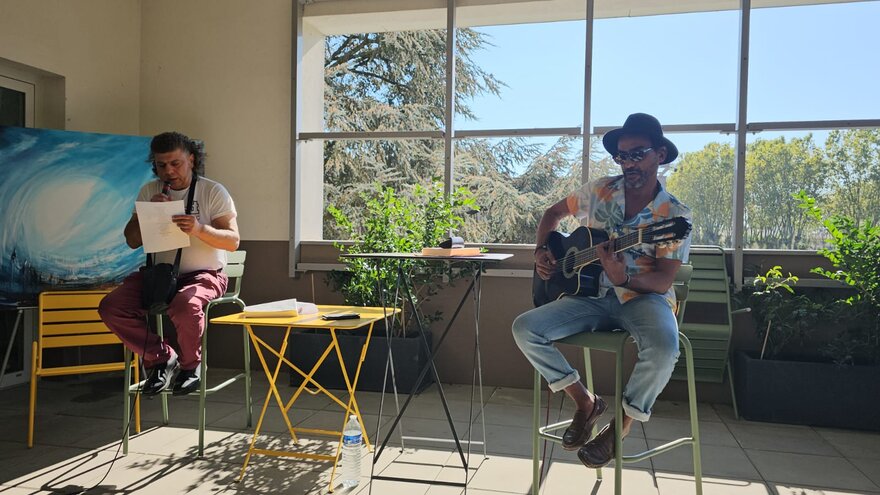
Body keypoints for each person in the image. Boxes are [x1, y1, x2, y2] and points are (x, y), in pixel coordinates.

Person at [512, 113, 691, 468]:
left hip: (643, 298)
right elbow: (552, 214)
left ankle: (621, 425)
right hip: (589, 297)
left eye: (637, 154)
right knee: (525, 328)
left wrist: (624, 279)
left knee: (665, 347)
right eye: (622, 156)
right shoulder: (598, 191)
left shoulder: (673, 215)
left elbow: (662, 281)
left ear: (660, 154)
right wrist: (541, 250)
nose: (628, 163)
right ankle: (586, 402)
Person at [99, 131, 240, 396]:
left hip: (204, 274)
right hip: (159, 276)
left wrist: (199, 229)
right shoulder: (149, 191)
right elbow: (132, 241)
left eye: (176, 163)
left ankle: (191, 367)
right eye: (161, 165)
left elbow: (233, 242)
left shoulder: (212, 191)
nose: (169, 171)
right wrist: (149, 215)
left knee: (185, 304)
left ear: (192, 160)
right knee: (111, 307)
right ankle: (161, 358)